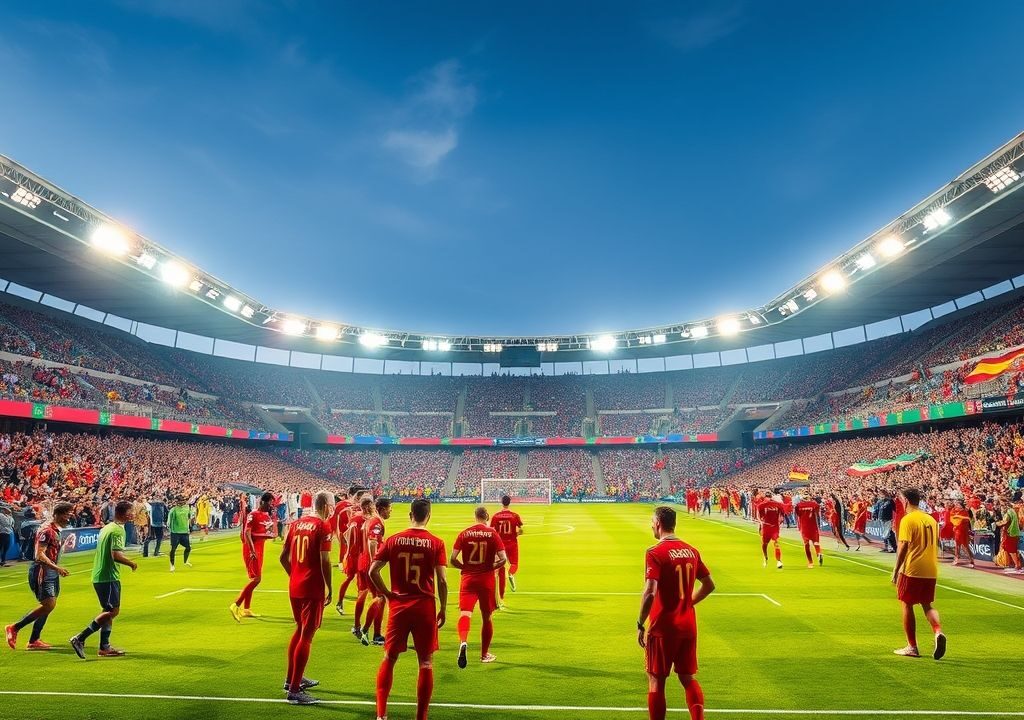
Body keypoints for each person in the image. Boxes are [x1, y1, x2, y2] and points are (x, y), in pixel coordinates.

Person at [369, 497, 448, 720]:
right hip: (424, 606)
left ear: (410, 515)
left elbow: (373, 571)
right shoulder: (436, 542)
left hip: (399, 606)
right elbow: (442, 581)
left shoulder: (393, 540)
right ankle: (421, 717)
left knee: (389, 658)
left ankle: (381, 715)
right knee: (425, 662)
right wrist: (443, 607)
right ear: (428, 516)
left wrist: (387, 593)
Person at [637, 506, 715, 720]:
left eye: (652, 521)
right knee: (688, 678)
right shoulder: (691, 550)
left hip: (663, 627)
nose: (651, 525)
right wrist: (688, 603)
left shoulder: (654, 552)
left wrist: (640, 622)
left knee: (656, 680)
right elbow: (709, 585)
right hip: (688, 626)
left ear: (658, 524)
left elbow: (650, 592)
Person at [279, 491, 333, 705]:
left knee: (299, 629)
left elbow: (283, 557)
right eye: (332, 505)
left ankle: (291, 679)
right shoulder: (323, 526)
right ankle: (294, 691)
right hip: (312, 587)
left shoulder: (296, 524)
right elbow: (325, 560)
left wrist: (295, 575)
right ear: (326, 506)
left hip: (295, 585)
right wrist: (329, 586)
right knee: (307, 635)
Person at [70, 501, 138, 659]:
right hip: (108, 576)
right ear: (124, 513)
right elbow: (116, 555)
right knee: (112, 611)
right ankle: (80, 638)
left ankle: (104, 647)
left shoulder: (107, 527)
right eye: (132, 511)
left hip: (100, 574)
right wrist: (131, 563)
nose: (134, 514)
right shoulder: (117, 531)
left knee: (107, 611)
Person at [6, 502, 73, 650]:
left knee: (48, 606)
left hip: (51, 571)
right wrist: (57, 568)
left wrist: (65, 545)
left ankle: (34, 640)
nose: (70, 517)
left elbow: (51, 551)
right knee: (48, 604)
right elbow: (39, 555)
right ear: (59, 514)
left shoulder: (55, 530)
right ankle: (14, 627)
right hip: (42, 571)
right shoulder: (46, 530)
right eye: (68, 514)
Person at [891, 488, 946, 660]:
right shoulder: (930, 518)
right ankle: (938, 632)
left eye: (901, 499)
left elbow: (903, 547)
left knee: (906, 604)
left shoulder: (908, 519)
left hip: (913, 568)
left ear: (906, 500)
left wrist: (895, 570)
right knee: (927, 604)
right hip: (931, 568)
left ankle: (912, 647)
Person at [450, 505, 506, 668]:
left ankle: (463, 641)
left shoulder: (464, 533)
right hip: (486, 579)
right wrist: (492, 566)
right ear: (487, 516)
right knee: (486, 617)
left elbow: (452, 559)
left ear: (475, 516)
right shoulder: (492, 534)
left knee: (465, 614)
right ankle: (484, 654)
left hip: (468, 579)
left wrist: (465, 567)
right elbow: (503, 558)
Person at [231, 492, 277, 621]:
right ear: (263, 502)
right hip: (252, 550)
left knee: (255, 579)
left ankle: (246, 609)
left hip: (260, 549)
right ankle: (236, 605)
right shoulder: (253, 515)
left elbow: (269, 534)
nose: (271, 506)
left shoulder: (267, 517)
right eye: (270, 503)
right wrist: (252, 550)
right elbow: (247, 533)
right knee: (256, 579)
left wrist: (271, 529)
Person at [358, 498, 392, 646]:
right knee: (381, 598)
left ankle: (376, 634)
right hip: (369, 566)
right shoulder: (376, 522)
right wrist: (374, 562)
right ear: (383, 509)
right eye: (389, 508)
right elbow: (372, 541)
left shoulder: (370, 521)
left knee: (379, 597)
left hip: (365, 563)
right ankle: (367, 630)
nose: (391, 511)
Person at [336, 488, 366, 616]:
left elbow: (341, 533)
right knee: (354, 579)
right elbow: (343, 533)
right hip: (356, 553)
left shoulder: (350, 511)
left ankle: (343, 604)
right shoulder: (353, 512)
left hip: (357, 552)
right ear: (358, 498)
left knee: (358, 580)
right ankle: (341, 603)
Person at [348, 495, 374, 639]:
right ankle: (370, 630)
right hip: (368, 560)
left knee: (362, 593)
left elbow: (348, 538)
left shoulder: (355, 519)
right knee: (378, 597)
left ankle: (357, 626)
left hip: (359, 559)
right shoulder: (372, 521)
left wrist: (348, 556)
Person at [490, 495, 524, 606]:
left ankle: (499, 597)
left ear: (501, 502)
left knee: (499, 570)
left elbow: (492, 531)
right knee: (514, 564)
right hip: (512, 543)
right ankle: (510, 574)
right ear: (510, 502)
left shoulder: (496, 516)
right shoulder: (515, 516)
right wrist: (516, 534)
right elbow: (521, 530)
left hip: (499, 545)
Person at [993, 498, 1022, 574]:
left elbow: (1005, 522)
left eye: (1002, 505)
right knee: (1013, 549)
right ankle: (1017, 564)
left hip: (1010, 533)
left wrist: (996, 523)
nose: (1001, 507)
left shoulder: (1008, 512)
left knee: (1011, 550)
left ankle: (1017, 565)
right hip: (1013, 533)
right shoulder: (1012, 511)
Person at [757, 493, 785, 569]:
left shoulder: (777, 505)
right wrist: (760, 523)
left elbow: (782, 514)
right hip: (766, 527)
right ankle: (765, 557)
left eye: (769, 497)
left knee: (776, 543)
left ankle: (779, 561)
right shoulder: (762, 505)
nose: (768, 499)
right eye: (767, 497)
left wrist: (781, 519)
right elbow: (759, 515)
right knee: (764, 544)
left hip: (775, 527)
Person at [795, 495, 823, 568]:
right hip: (813, 526)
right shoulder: (814, 504)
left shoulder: (798, 505)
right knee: (816, 542)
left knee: (807, 545)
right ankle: (819, 553)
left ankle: (810, 562)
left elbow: (798, 515)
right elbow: (817, 513)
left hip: (804, 527)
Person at [168, 497, 193, 572]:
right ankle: (172, 565)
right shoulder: (173, 510)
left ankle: (185, 561)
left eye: (183, 500)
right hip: (175, 532)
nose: (182, 502)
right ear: (177, 501)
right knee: (173, 549)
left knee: (188, 547)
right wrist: (169, 527)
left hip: (184, 532)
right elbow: (169, 520)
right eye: (181, 500)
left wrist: (190, 526)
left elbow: (189, 518)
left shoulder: (187, 509)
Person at [949, 501, 975, 568]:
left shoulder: (964, 512)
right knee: (957, 545)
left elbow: (968, 519)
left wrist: (958, 516)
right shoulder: (955, 511)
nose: (956, 505)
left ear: (961, 505)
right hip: (957, 530)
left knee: (966, 546)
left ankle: (971, 560)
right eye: (956, 504)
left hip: (963, 530)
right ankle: (956, 559)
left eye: (958, 504)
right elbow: (952, 517)